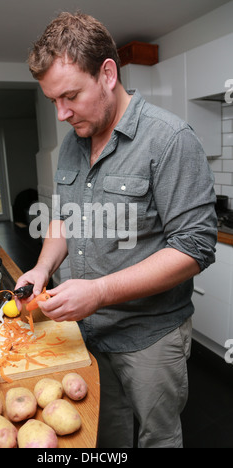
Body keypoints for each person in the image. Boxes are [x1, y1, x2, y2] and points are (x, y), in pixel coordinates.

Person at [15, 11, 217, 448]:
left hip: (149, 339)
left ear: (108, 73)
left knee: (156, 439)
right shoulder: (73, 141)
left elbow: (195, 249)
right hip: (83, 334)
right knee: (105, 437)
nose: (62, 113)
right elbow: (61, 217)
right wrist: (43, 269)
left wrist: (100, 292)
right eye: (53, 101)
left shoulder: (169, 139)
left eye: (69, 95)